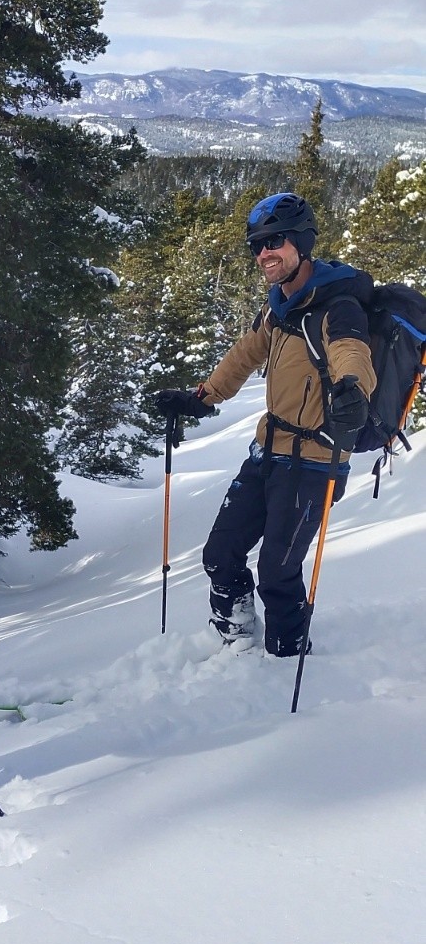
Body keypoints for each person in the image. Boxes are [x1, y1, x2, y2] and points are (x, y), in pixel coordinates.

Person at [155, 192, 376, 657]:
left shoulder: (338, 306)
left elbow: (351, 352)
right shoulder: (278, 306)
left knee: (277, 571)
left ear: (301, 242)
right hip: (266, 452)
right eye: (256, 245)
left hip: (314, 463)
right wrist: (201, 398)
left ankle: (287, 655)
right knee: (220, 555)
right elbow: (243, 356)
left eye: (273, 241)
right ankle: (238, 640)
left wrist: (352, 388)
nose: (263, 254)